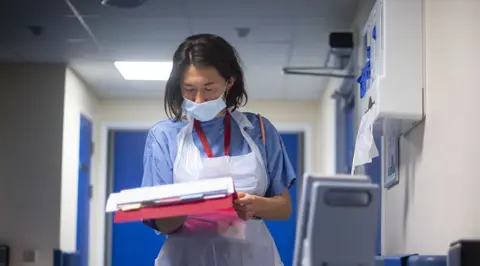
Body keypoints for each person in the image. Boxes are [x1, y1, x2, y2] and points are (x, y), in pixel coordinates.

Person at [141, 33, 297, 266]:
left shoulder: (259, 130)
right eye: (189, 89)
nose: (199, 99)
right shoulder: (164, 136)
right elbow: (161, 223)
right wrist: (187, 206)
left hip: (252, 258)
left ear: (229, 82)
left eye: (209, 88)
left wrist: (255, 205)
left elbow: (284, 207)